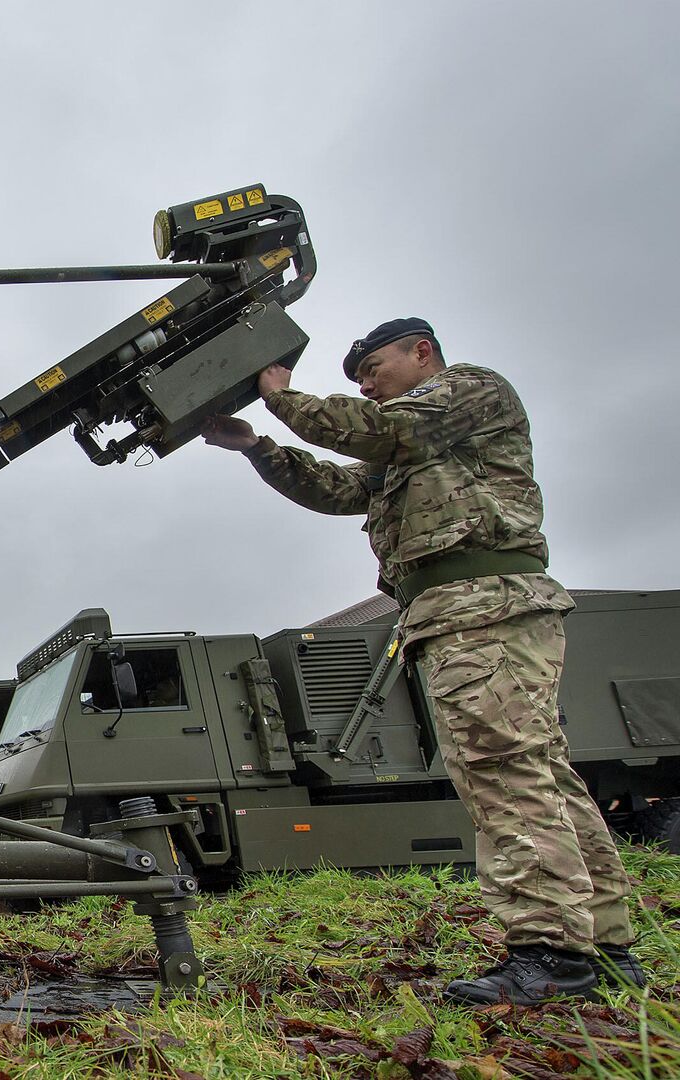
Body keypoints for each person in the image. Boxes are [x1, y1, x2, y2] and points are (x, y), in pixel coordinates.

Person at [200, 317, 640, 1005]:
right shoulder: (410, 444)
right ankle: (604, 947)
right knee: (538, 772)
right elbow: (340, 491)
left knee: (502, 775)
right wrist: (259, 446)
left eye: (374, 369)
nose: (368, 385)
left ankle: (550, 953)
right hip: (461, 612)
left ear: (422, 352)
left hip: (481, 607)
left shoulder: (466, 394)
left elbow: (366, 430)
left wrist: (279, 395)